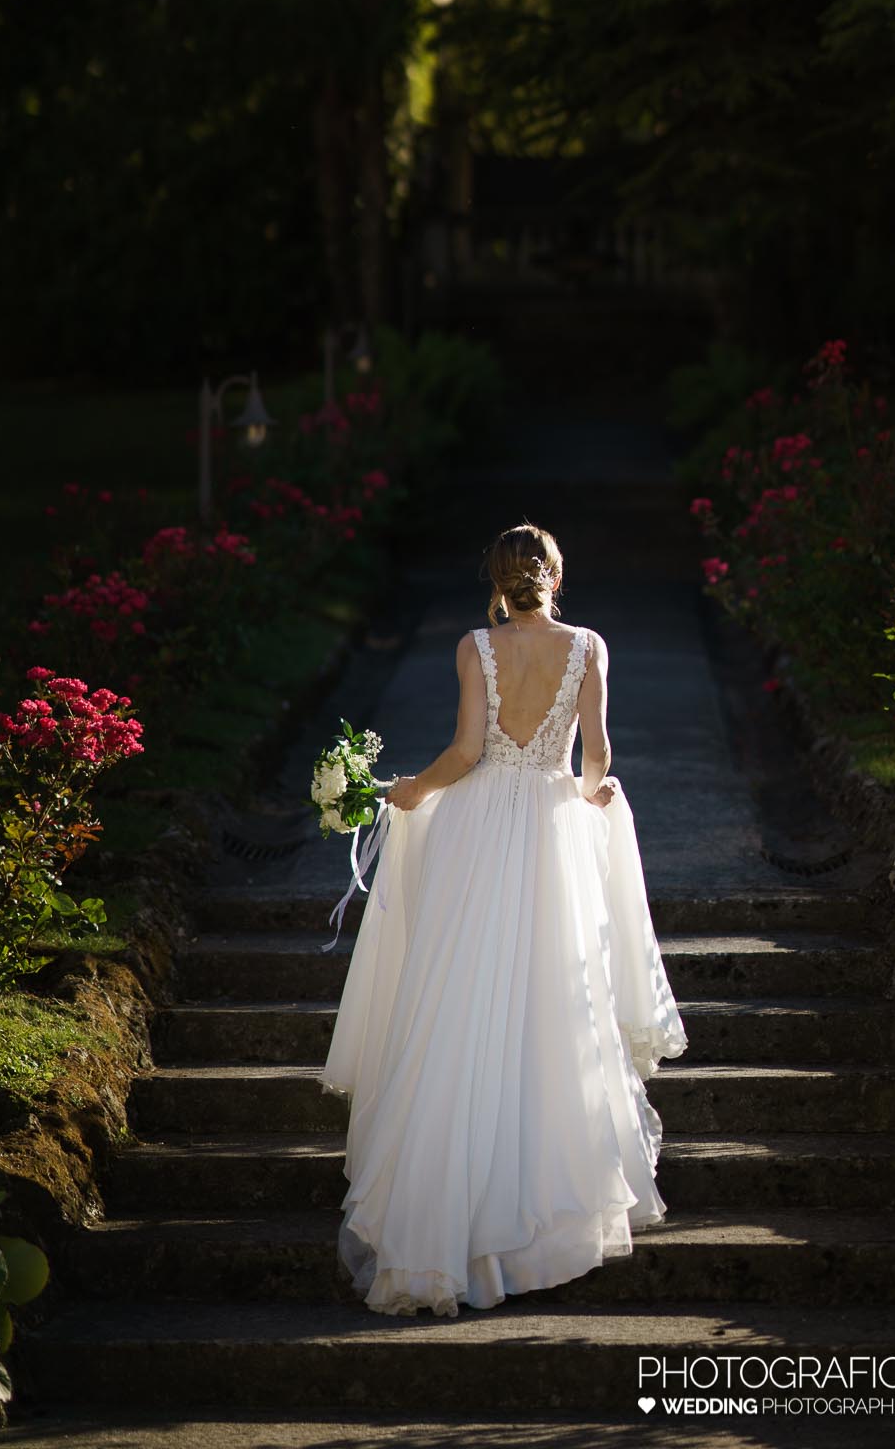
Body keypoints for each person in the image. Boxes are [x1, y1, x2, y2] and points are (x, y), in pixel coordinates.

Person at [320, 520, 687, 1317]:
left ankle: (439, 1211)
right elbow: (596, 760)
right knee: (554, 1000)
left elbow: (463, 752)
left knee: (461, 992)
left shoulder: (472, 648)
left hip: (481, 825)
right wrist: (593, 797)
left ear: (494, 578)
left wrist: (405, 793)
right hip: (552, 829)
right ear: (556, 573)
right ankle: (539, 1208)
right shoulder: (588, 646)